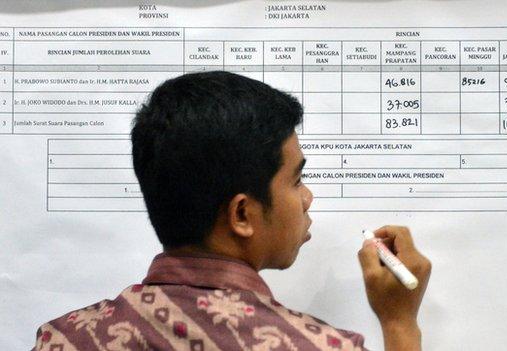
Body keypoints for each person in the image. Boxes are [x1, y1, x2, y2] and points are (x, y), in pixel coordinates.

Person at [32, 71, 431, 351]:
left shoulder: (63, 339)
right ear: (241, 215)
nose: (307, 197)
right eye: (295, 180)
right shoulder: (319, 346)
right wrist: (399, 325)